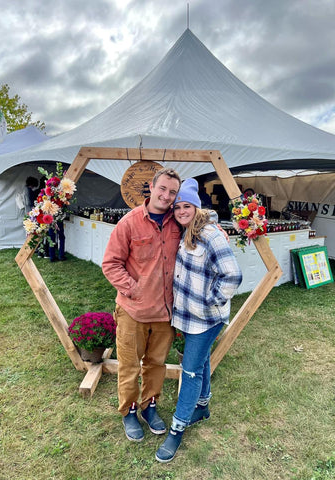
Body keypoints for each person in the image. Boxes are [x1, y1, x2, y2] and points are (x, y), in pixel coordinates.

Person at [155, 178, 242, 463]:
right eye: (177, 206)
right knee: (201, 360)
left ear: (196, 206)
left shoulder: (211, 235)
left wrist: (210, 302)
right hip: (189, 318)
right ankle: (202, 407)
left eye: (186, 205)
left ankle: (177, 429)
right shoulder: (185, 232)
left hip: (206, 318)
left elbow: (232, 276)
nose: (181, 210)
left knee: (190, 370)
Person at [102, 168, 182, 442]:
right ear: (151, 186)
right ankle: (129, 410)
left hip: (164, 313)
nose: (166, 196)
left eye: (172, 192)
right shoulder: (130, 222)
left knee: (156, 364)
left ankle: (150, 406)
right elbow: (110, 263)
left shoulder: (177, 223)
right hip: (133, 311)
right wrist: (133, 290)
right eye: (162, 189)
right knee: (129, 365)